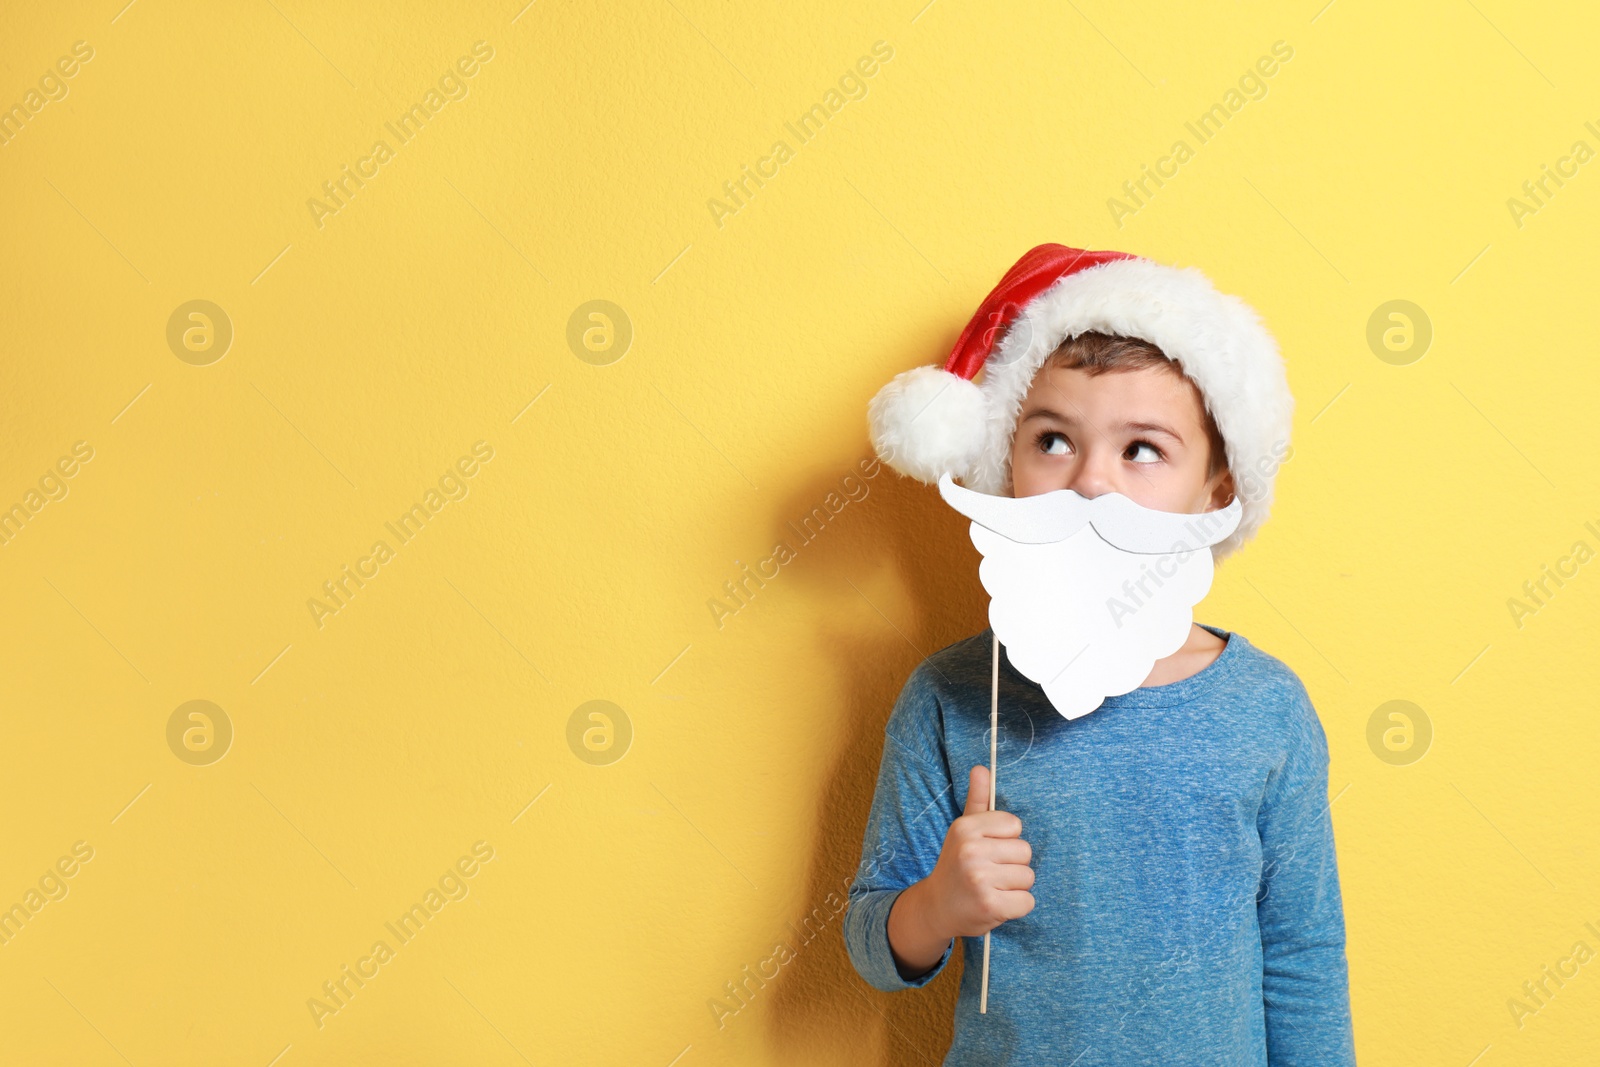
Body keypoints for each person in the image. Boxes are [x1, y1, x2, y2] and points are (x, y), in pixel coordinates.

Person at [845, 244, 1356, 1065]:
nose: (1089, 483)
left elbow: (1302, 956)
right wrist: (939, 904)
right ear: (1002, 465)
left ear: (1218, 489)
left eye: (1142, 449)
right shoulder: (949, 695)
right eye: (1051, 440)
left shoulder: (1267, 708)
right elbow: (873, 944)